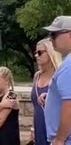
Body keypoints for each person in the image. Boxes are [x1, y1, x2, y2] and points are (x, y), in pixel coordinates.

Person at [43, 16, 71, 145]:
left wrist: (59, 139)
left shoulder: (68, 66)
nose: (50, 39)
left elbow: (69, 105)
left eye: (54, 34)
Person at [30, 38, 62, 145]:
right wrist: (33, 129)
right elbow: (35, 107)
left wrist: (49, 96)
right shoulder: (37, 76)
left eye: (40, 53)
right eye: (35, 53)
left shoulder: (60, 75)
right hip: (39, 127)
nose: (36, 56)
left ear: (50, 53)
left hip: (56, 130)